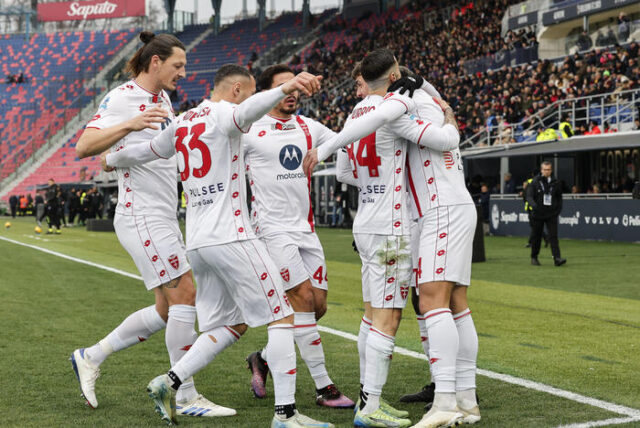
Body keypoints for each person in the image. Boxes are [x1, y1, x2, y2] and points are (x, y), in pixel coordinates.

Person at [104, 64, 333, 428]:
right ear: (238, 89)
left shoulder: (182, 122)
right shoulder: (228, 113)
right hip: (233, 235)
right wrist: (287, 85)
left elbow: (145, 151)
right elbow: (250, 111)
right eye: (252, 91)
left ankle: (170, 381)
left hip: (197, 241)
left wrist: (111, 159)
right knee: (282, 316)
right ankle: (285, 415)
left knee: (228, 324)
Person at [70, 31, 231, 419]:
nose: (183, 73)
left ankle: (90, 356)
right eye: (178, 66)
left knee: (165, 308)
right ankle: (186, 395)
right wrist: (130, 124)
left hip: (162, 213)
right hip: (141, 214)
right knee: (186, 295)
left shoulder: (162, 99)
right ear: (155, 62)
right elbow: (84, 147)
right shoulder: (125, 98)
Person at [305, 49, 462, 428]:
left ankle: (366, 396)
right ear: (393, 75)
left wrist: (372, 183)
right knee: (388, 317)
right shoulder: (394, 105)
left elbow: (344, 172)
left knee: (371, 313)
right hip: (392, 223)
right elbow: (443, 139)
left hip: (366, 219)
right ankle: (370, 406)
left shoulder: (353, 114)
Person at [242, 64, 354, 409]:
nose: (292, 93)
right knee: (302, 299)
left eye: (295, 88)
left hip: (306, 230)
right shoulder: (248, 129)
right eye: (284, 87)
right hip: (271, 231)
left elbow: (345, 140)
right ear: (268, 93)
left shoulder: (310, 127)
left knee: (316, 307)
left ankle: (261, 358)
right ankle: (324, 388)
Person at [525, 161, 566, 266]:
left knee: (553, 236)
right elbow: (528, 196)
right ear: (541, 170)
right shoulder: (534, 182)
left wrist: (557, 210)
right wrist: (535, 206)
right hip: (538, 214)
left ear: (551, 170)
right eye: (544, 169)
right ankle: (534, 257)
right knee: (536, 236)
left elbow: (559, 198)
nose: (546, 172)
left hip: (551, 214)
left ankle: (557, 258)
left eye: (548, 170)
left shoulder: (556, 182)